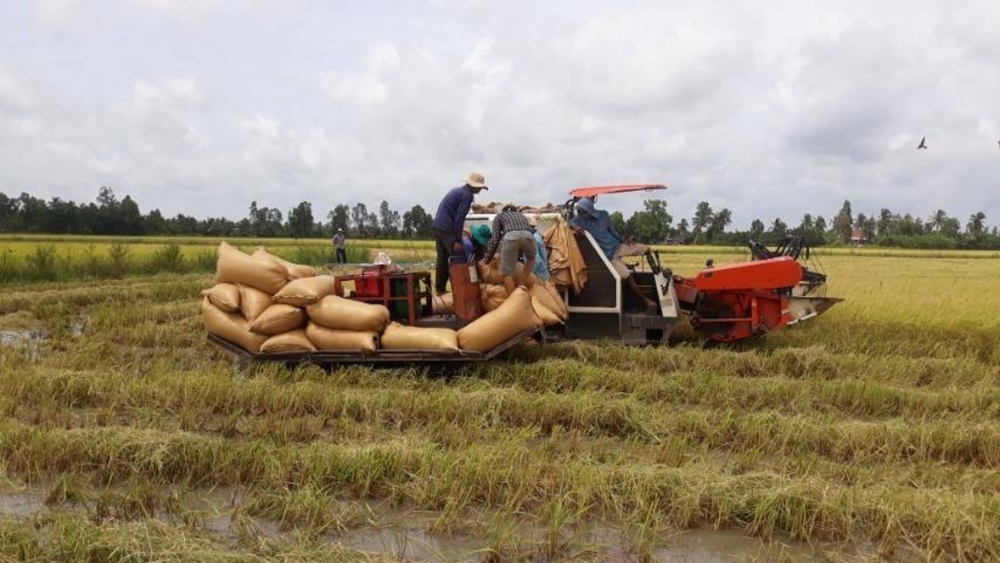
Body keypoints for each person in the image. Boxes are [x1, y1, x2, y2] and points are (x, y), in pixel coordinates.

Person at [570, 197, 657, 310]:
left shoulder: (603, 215)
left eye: (581, 211)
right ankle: (647, 301)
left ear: (589, 211)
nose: (579, 214)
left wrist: (624, 240)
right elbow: (569, 224)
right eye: (578, 211)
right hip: (608, 256)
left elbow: (613, 231)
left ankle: (658, 272)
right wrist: (574, 227)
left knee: (646, 249)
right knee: (627, 276)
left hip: (617, 246)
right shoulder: (579, 220)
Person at [432, 171, 488, 295]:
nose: (479, 191)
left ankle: (440, 289)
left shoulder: (457, 191)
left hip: (438, 225)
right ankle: (460, 291)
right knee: (456, 257)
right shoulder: (467, 196)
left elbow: (450, 214)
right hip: (447, 228)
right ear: (473, 186)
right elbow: (459, 218)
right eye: (479, 188)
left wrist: (459, 231)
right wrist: (457, 240)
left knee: (442, 258)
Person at [481, 204, 536, 297]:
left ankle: (513, 299)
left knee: (507, 272)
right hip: (528, 235)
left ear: (504, 211)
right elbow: (526, 232)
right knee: (531, 259)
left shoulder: (499, 216)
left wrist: (486, 259)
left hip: (511, 236)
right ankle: (521, 285)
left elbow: (495, 239)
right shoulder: (521, 216)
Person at [527, 215, 550, 282]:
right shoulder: (537, 236)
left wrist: (529, 273)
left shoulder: (532, 238)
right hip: (542, 270)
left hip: (537, 272)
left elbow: (535, 259)